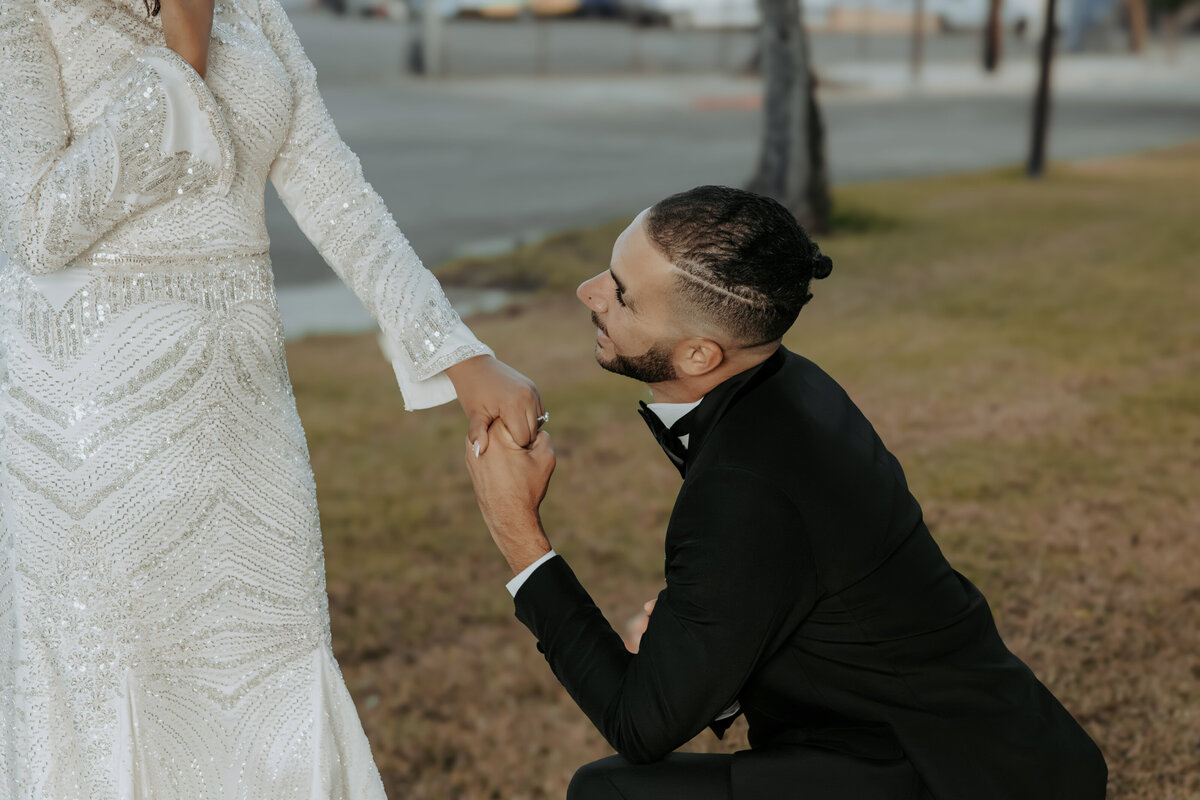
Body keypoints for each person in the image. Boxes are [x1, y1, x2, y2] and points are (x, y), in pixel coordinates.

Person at [0, 0, 543, 795]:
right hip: (95, 436)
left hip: (244, 422)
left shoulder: (252, 7)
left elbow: (336, 191)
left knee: (280, 670)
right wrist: (178, 64)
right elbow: (38, 224)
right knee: (120, 684)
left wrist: (457, 353)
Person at [465, 186, 1108, 800]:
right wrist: (709, 652)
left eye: (622, 295)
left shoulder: (744, 488)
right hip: (990, 748)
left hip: (954, 779)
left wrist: (517, 530)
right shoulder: (789, 385)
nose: (588, 292)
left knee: (609, 792)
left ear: (698, 355)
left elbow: (639, 726)